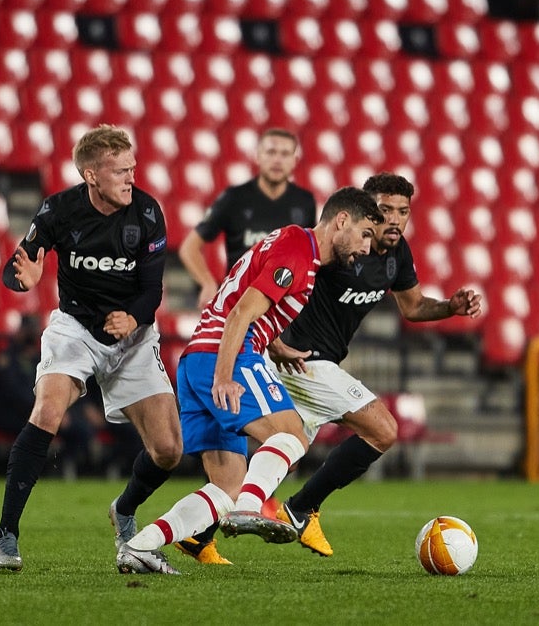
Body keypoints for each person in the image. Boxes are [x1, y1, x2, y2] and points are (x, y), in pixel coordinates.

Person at [122, 188, 384, 571]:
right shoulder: (299, 250)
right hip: (224, 355)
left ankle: (140, 547)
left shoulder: (295, 246)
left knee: (226, 486)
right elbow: (241, 313)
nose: (366, 247)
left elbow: (246, 300)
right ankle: (250, 507)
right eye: (365, 234)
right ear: (341, 220)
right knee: (292, 435)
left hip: (198, 358)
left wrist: (274, 346)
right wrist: (225, 377)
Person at [0, 124, 183, 576]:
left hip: (133, 337)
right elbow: (14, 268)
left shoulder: (148, 213)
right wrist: (24, 280)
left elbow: (152, 291)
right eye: (120, 172)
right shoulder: (59, 210)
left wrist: (133, 317)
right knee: (48, 412)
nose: (131, 179)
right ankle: (6, 534)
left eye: (133, 169)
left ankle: (124, 509)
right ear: (91, 175)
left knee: (169, 450)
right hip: (76, 329)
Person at [266, 172, 482, 557]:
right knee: (383, 430)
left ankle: (200, 531)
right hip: (299, 360)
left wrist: (450, 307)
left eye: (403, 211)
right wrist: (275, 339)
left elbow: (413, 306)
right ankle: (301, 508)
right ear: (365, 211)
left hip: (319, 363)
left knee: (278, 455)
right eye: (385, 210)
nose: (395, 220)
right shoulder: (338, 249)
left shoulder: (397, 254)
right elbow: (276, 283)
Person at [179, 128, 316, 310]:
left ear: (294, 161)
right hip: (237, 302)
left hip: (282, 309)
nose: (277, 160)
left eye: (285, 154)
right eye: (271, 152)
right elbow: (189, 248)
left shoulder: (305, 202)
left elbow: (311, 257)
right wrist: (207, 282)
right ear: (258, 157)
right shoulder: (234, 198)